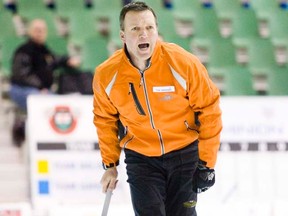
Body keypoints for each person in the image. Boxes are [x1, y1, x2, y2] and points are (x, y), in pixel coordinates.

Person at [92, 2, 222, 216]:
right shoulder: (107, 74)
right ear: (123, 36)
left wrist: (207, 164)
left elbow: (210, 110)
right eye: (135, 29)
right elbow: (104, 120)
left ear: (156, 30)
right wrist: (110, 165)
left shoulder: (183, 63)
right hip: (141, 158)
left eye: (149, 28)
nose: (144, 34)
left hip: (184, 154)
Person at [9, 19, 80, 146]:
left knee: (58, 100)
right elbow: (21, 75)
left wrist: (67, 60)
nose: (39, 33)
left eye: (42, 31)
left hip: (42, 90)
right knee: (42, 100)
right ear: (30, 32)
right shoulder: (24, 50)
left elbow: (54, 60)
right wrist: (40, 87)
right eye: (36, 30)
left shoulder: (44, 50)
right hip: (21, 89)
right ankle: (22, 127)